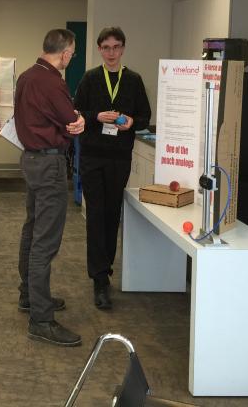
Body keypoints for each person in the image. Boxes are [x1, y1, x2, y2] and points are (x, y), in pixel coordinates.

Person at [14, 28, 85, 347]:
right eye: (72, 53)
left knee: (32, 230)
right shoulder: (53, 81)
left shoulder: (28, 76)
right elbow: (70, 120)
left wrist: (72, 121)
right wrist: (79, 120)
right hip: (49, 164)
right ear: (67, 53)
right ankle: (41, 319)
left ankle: (29, 295)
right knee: (46, 240)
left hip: (31, 160)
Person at [74, 27, 151, 310]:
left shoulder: (133, 80)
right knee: (95, 215)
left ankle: (105, 269)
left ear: (123, 49)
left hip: (120, 157)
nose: (111, 52)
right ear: (99, 49)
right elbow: (75, 111)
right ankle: (99, 279)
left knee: (111, 214)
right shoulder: (91, 78)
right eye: (106, 47)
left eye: (116, 47)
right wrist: (96, 115)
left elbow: (145, 116)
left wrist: (132, 122)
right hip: (93, 156)